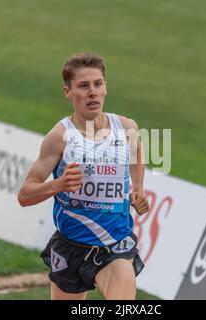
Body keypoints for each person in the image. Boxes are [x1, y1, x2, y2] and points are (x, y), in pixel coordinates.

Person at [17, 53, 149, 300]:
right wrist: (59, 184)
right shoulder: (60, 137)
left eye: (98, 84)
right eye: (83, 86)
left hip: (115, 245)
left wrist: (138, 187)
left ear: (106, 88)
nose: (93, 92)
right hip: (72, 247)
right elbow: (25, 195)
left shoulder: (126, 128)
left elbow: (137, 151)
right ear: (68, 92)